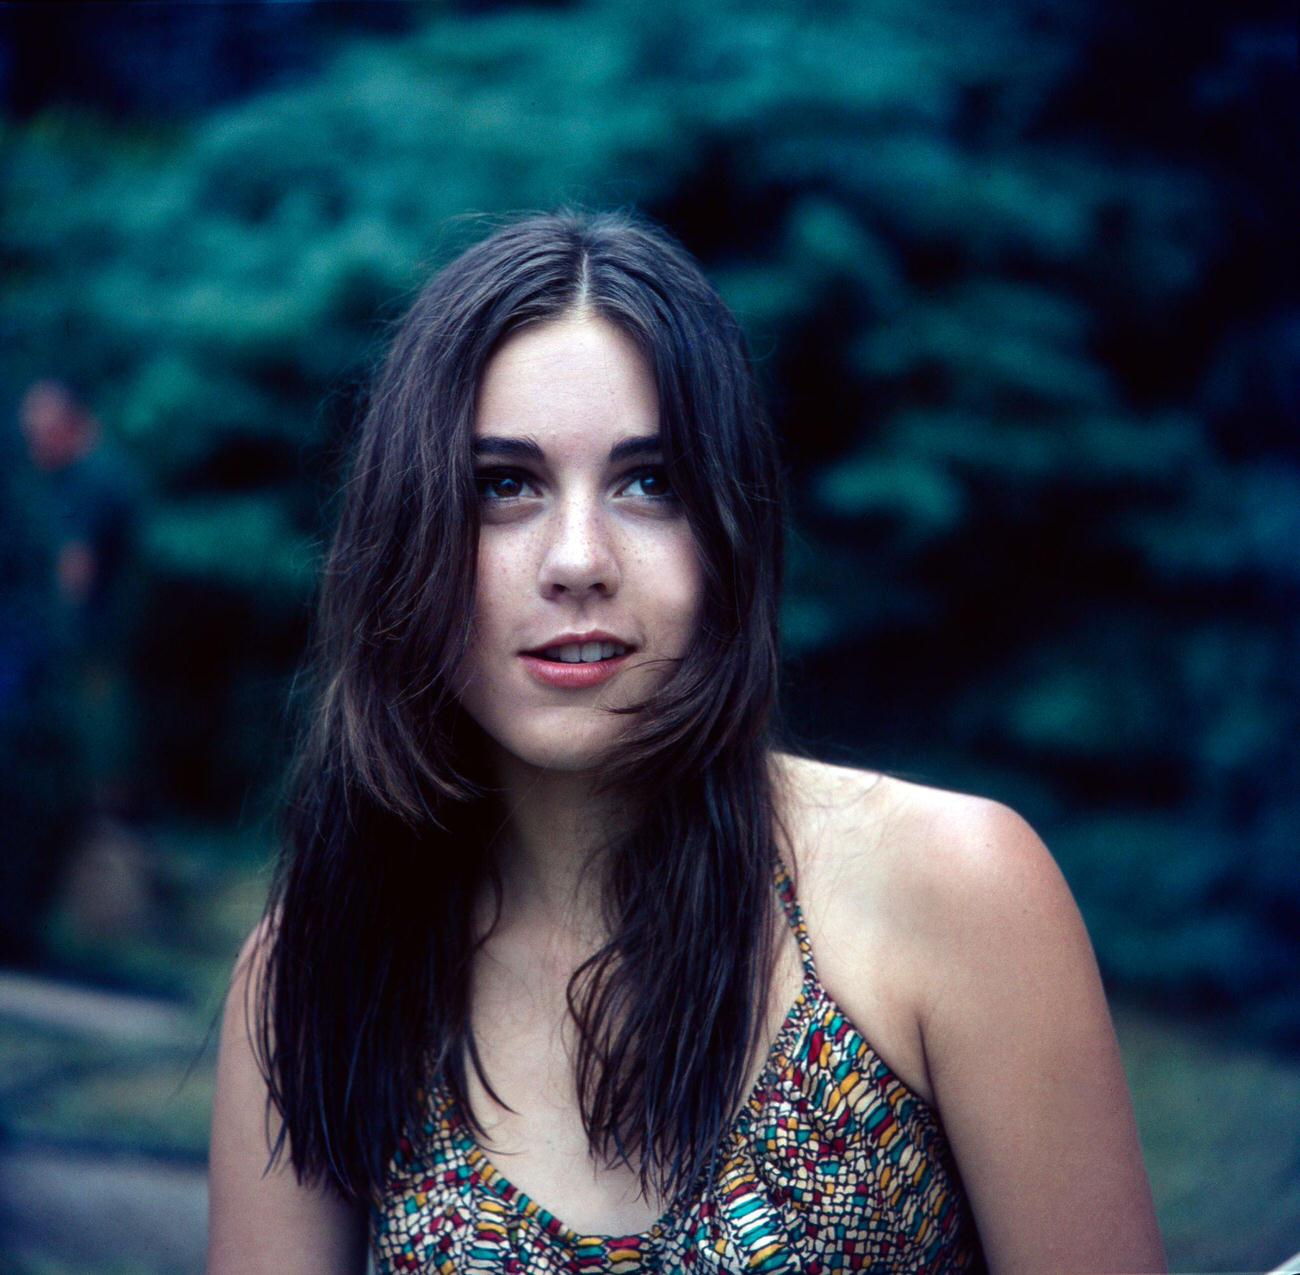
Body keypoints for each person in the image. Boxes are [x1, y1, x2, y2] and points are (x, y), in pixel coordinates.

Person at [207, 210, 1166, 1274]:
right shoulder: (315, 973)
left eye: (648, 481)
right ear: (405, 533)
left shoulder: (953, 889)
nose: (577, 560)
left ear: (730, 532)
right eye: (503, 486)